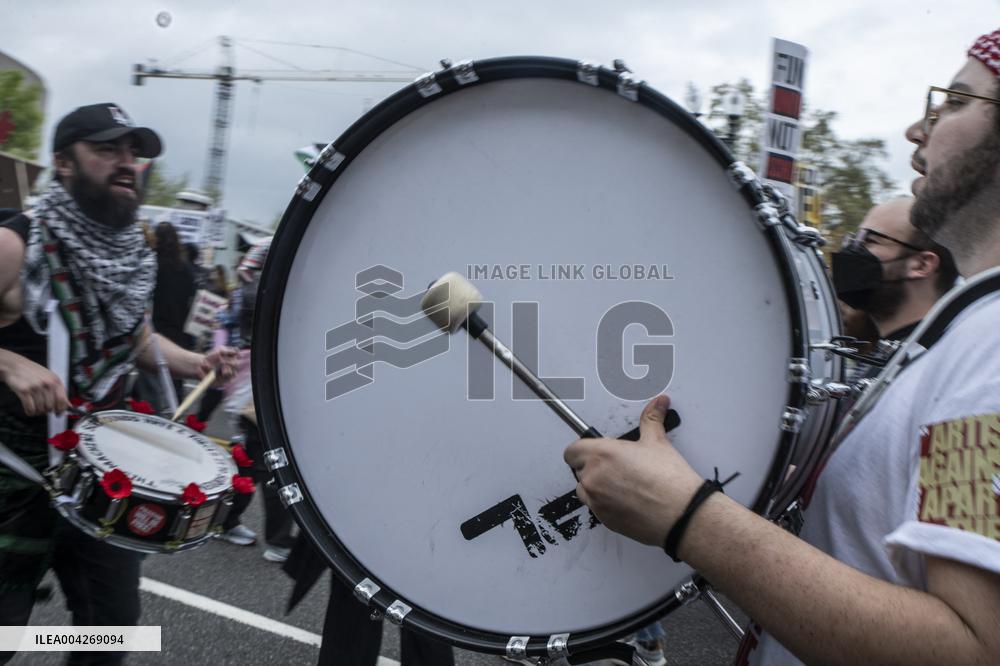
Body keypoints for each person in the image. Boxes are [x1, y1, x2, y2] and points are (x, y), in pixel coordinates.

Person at [564, 31, 1000, 666]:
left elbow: (975, 649)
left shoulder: (992, 352)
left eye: (956, 102)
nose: (917, 130)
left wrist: (688, 517)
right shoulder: (973, 334)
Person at [0, 103, 236, 665]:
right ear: (63, 163)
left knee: (112, 633)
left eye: (133, 152)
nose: (127, 163)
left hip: (95, 479)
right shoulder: (14, 244)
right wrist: (7, 363)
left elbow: (135, 338)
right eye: (107, 150)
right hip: (11, 480)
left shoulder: (131, 255)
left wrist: (194, 362)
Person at [832, 196, 958, 365]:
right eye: (854, 239)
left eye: (869, 240)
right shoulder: (888, 356)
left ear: (922, 265)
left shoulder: (936, 362)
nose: (850, 250)